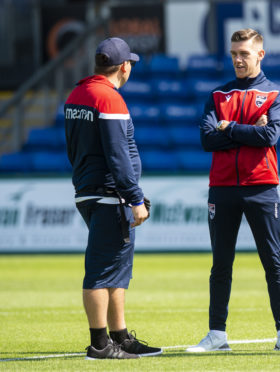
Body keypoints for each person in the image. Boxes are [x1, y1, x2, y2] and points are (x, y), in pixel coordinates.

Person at [186, 28, 280, 353]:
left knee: (273, 262)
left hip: (262, 187)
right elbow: (207, 139)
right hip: (221, 188)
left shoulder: (278, 94)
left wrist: (229, 127)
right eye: (234, 54)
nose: (238, 59)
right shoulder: (217, 95)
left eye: (244, 54)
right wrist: (250, 129)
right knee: (220, 264)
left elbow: (269, 138)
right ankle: (216, 335)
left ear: (260, 55)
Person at [65, 37, 162, 360]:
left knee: (117, 270)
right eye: (130, 62)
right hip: (111, 196)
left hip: (91, 191)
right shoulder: (109, 99)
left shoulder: (77, 94)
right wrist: (134, 197)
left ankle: (119, 336)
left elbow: (75, 149)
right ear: (124, 66)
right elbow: (118, 156)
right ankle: (100, 345)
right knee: (100, 271)